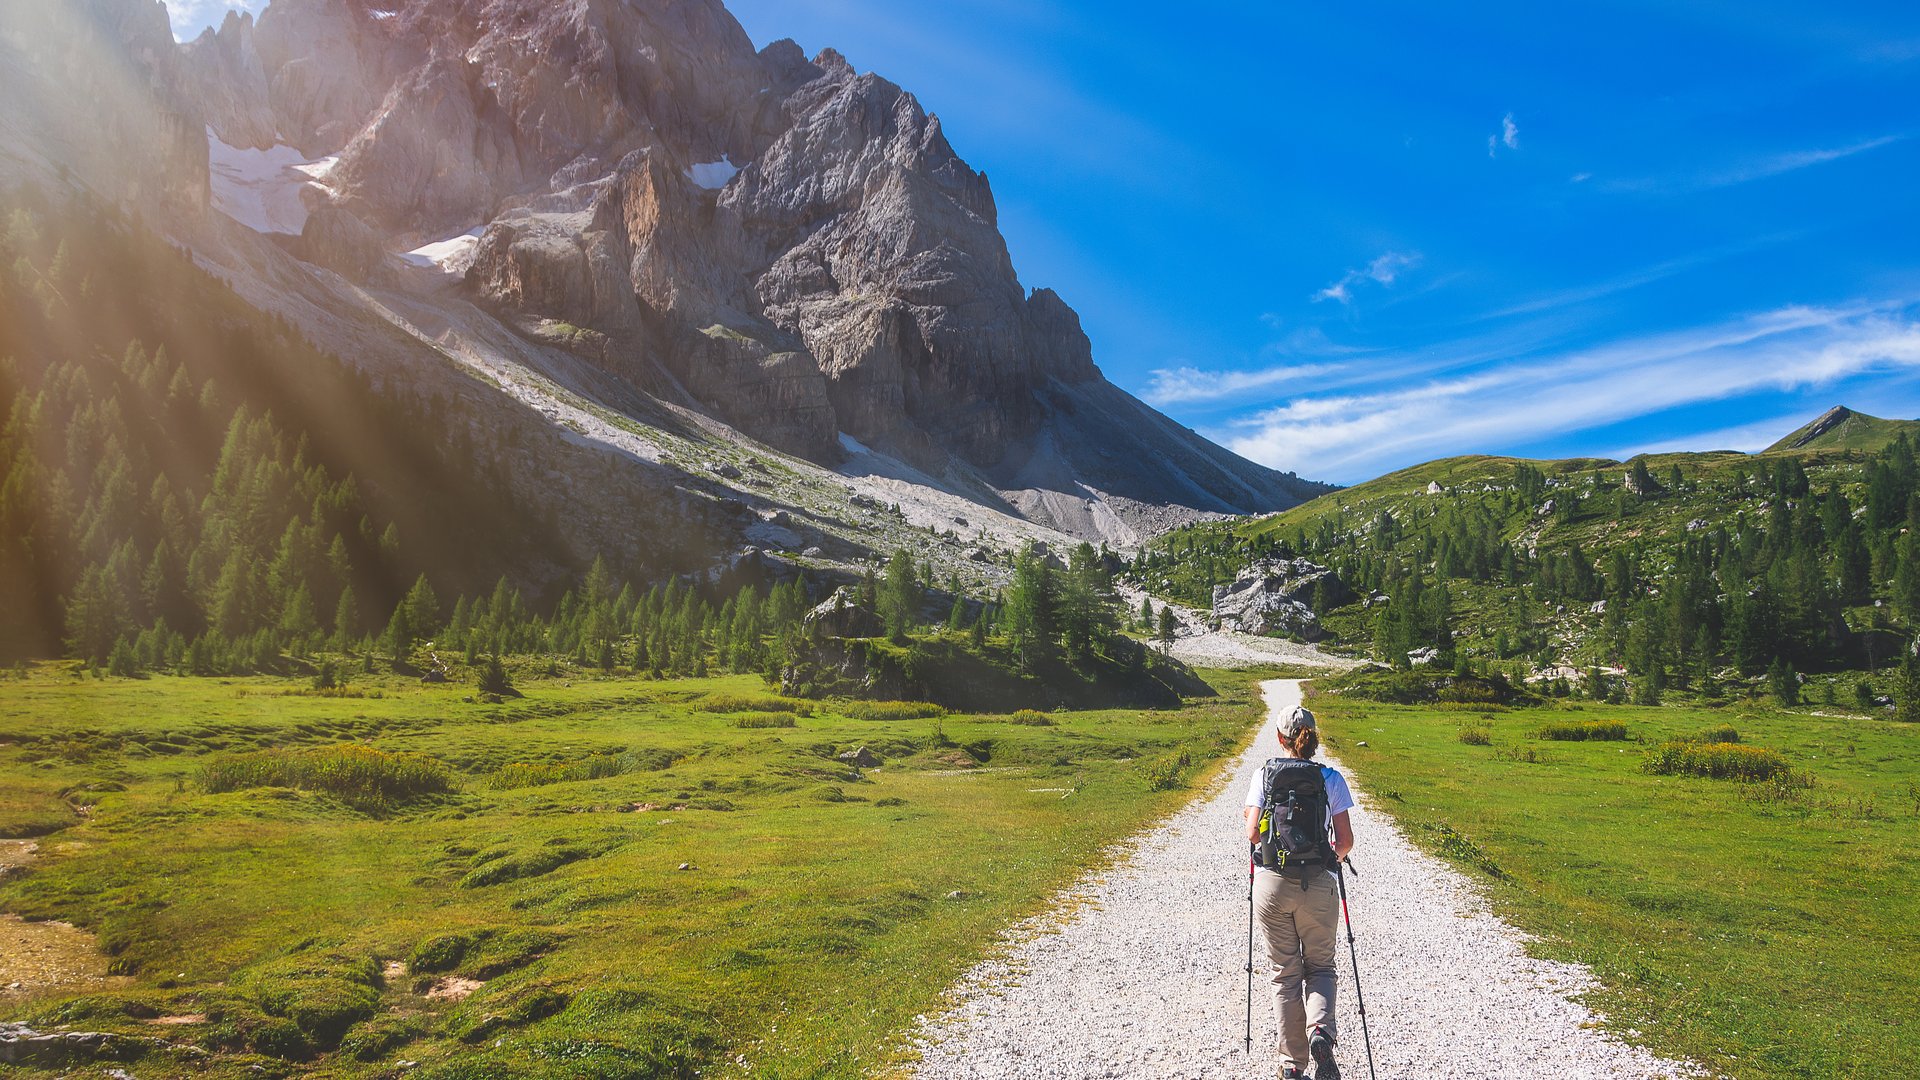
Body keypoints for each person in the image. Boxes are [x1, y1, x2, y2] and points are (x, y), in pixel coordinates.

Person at [1243, 703, 1355, 1080]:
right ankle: (1321, 1032)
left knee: (1285, 974)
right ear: (1313, 739)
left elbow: (1252, 832)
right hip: (1318, 885)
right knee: (1321, 967)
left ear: (1280, 738)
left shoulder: (1264, 774)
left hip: (1273, 885)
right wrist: (1327, 857)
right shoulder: (1331, 779)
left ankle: (1292, 1065)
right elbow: (1345, 842)